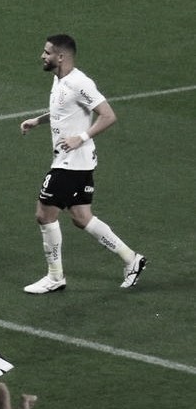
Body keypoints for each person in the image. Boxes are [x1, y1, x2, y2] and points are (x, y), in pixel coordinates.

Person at [19, 34, 146, 294]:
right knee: (81, 217)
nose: (42, 56)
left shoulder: (80, 82)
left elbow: (108, 115)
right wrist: (38, 121)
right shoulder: (60, 79)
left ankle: (55, 277)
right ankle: (132, 259)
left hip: (71, 163)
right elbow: (63, 111)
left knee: (44, 214)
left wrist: (82, 137)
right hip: (76, 162)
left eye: (47, 53)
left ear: (61, 57)